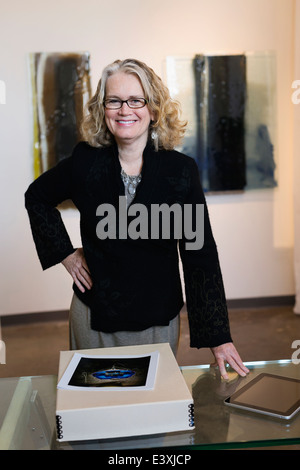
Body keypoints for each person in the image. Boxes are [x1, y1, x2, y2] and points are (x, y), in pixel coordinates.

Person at [25, 58, 249, 380]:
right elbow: (37, 196)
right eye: (114, 101)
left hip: (156, 321)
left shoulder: (180, 171)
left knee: (150, 419)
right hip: (93, 318)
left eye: (136, 100)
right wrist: (66, 254)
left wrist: (219, 337)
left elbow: (199, 255)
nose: (124, 110)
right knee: (95, 417)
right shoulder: (85, 162)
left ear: (154, 109)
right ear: (103, 109)